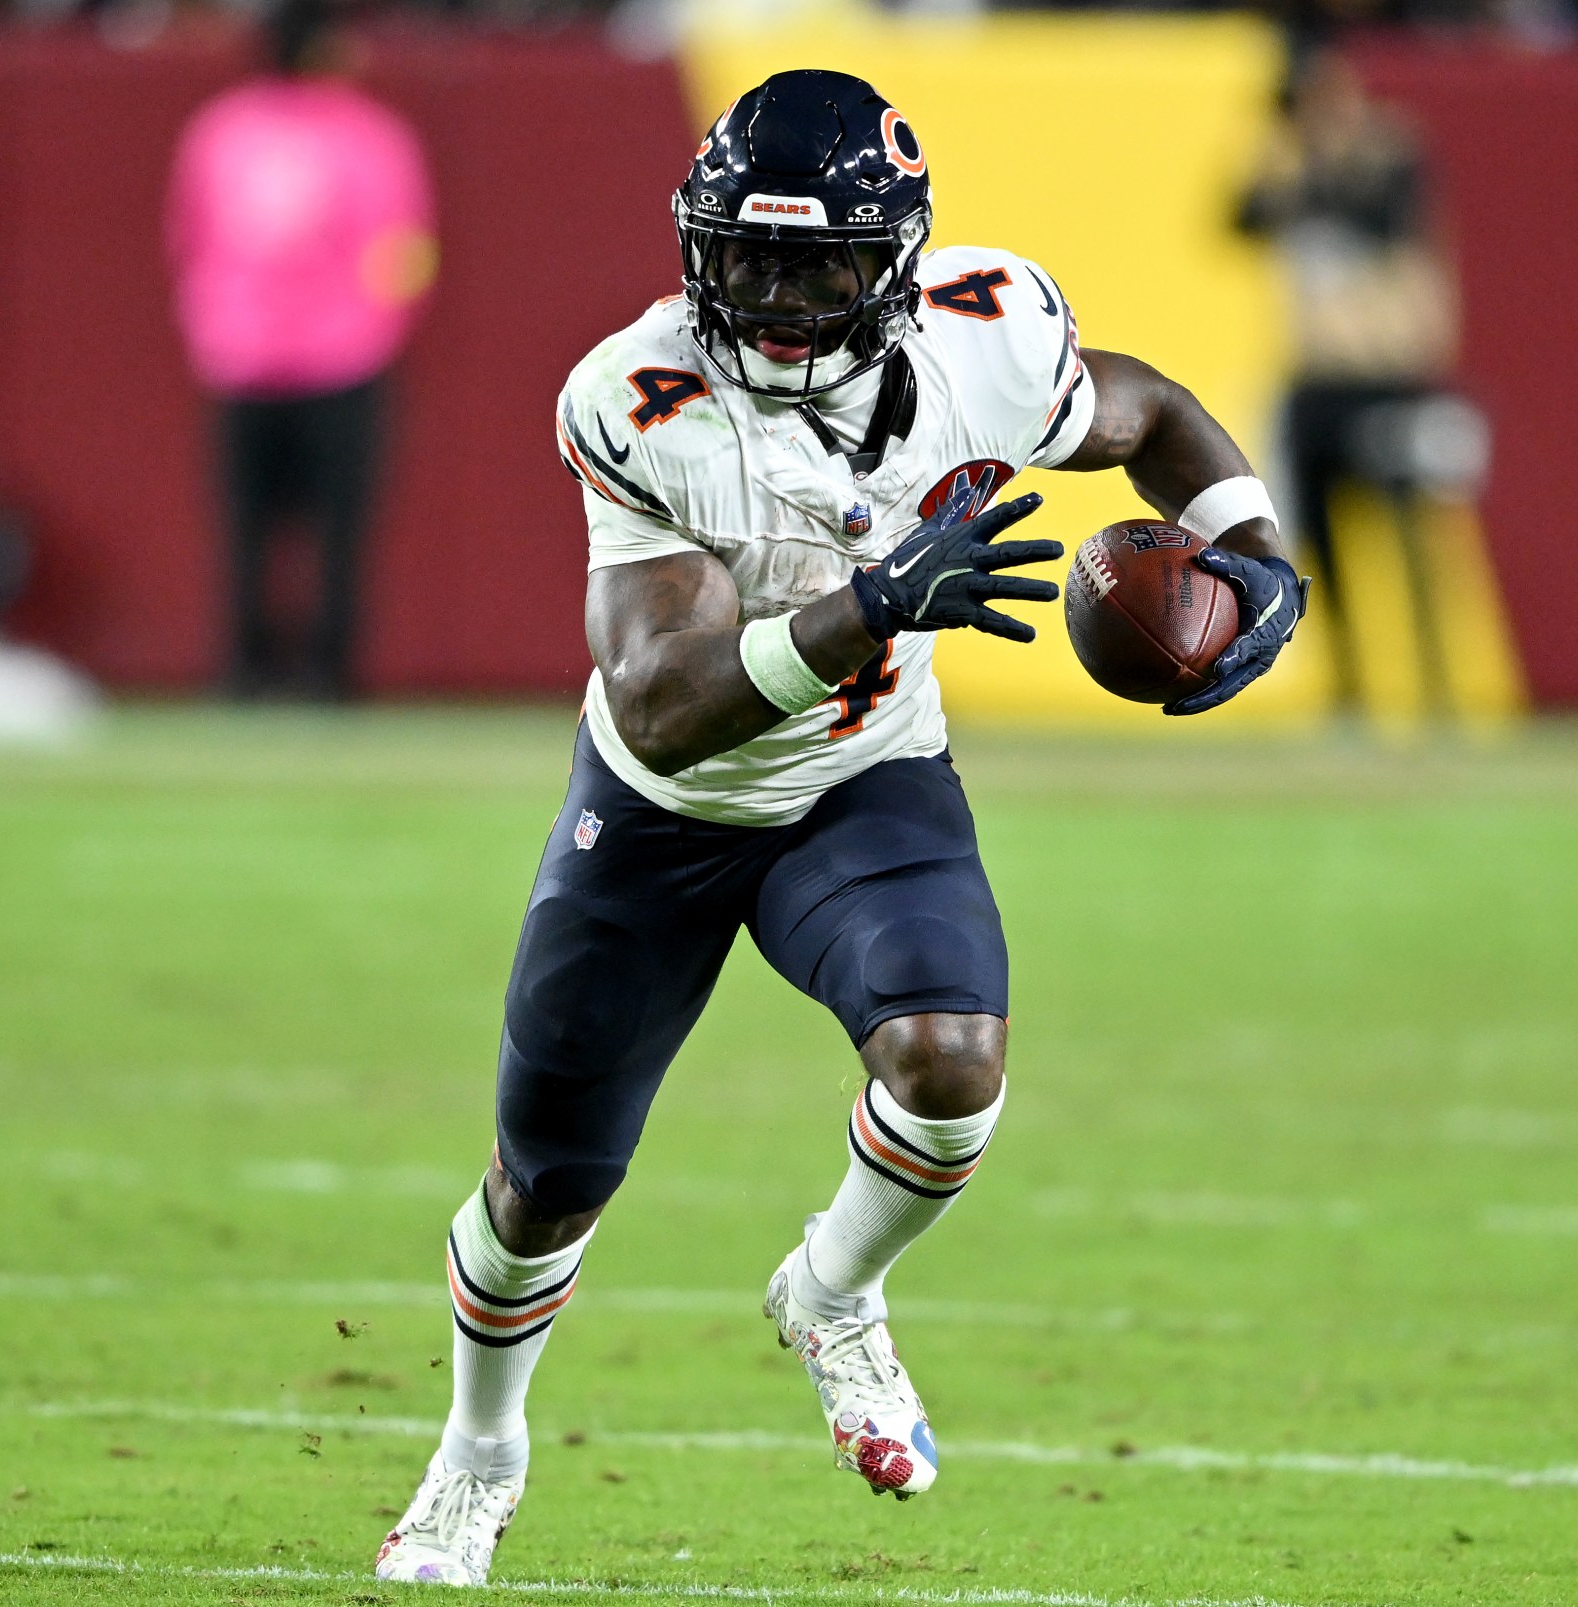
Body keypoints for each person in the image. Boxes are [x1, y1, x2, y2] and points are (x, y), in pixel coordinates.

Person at [373, 70, 1308, 1586]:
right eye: (748, 253)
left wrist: (1255, 557)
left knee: (952, 1062)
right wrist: (872, 598)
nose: (780, 294)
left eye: (820, 262)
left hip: (865, 780)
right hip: (665, 810)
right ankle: (479, 1447)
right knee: (547, 1177)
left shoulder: (983, 339)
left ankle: (832, 1290)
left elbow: (1151, 411)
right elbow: (669, 701)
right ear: (698, 245)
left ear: (898, 263)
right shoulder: (639, 393)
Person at [166, 0, 435, 699]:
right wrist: (381, 325)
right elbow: (402, 248)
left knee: (245, 527)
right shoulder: (371, 134)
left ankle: (245, 670)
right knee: (340, 529)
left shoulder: (220, 129)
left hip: (240, 353)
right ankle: (327, 674)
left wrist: (213, 326)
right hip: (344, 357)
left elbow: (188, 240)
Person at [1237, 47, 1459, 703]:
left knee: (1410, 534)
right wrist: (1288, 158)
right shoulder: (1296, 181)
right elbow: (1235, 215)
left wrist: (1346, 148)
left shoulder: (1386, 165)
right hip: (1317, 383)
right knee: (1322, 545)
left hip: (1386, 378)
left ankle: (1434, 686)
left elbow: (1394, 222)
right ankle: (1352, 688)